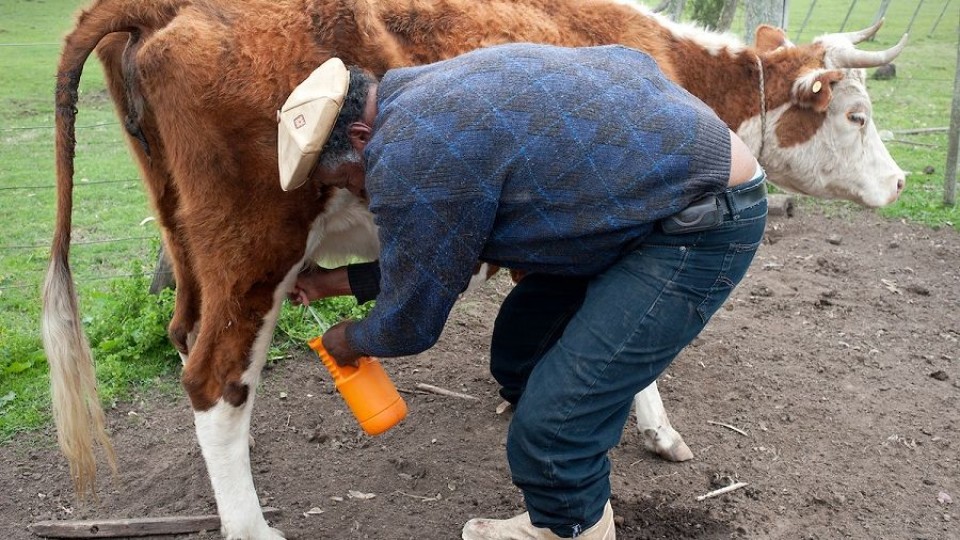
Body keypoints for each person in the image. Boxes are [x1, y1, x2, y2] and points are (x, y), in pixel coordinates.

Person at [287, 43, 767, 540]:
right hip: (648, 195)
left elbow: (412, 322)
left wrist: (350, 341)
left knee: (550, 430)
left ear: (361, 137)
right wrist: (327, 284)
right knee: (520, 351)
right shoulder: (414, 93)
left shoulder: (411, 153)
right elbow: (434, 255)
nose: (357, 192)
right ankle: (573, 413)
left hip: (698, 224)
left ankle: (570, 526)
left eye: (347, 177)